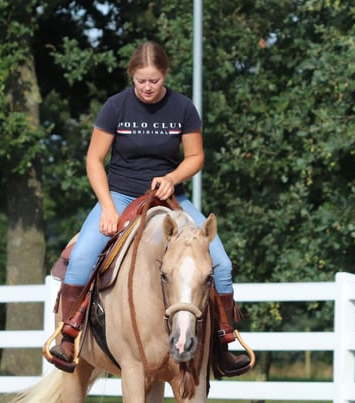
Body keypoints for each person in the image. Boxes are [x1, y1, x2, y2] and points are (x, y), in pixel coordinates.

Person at [49, 41, 250, 375]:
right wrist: (108, 207)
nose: (146, 87)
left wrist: (172, 177)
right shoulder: (116, 107)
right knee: (83, 255)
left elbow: (196, 157)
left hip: (173, 199)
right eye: (141, 80)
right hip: (122, 197)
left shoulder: (183, 108)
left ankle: (223, 343)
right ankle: (68, 336)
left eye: (153, 80)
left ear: (165, 75)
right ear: (132, 75)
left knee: (222, 263)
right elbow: (94, 160)